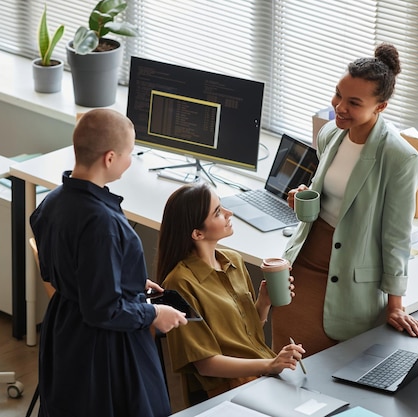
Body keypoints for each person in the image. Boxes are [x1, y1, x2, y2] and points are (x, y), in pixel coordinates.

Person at [272, 43, 418, 357]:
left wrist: (395, 305)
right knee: (285, 367)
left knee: (329, 375)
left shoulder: (399, 158)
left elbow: (396, 235)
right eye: (338, 94)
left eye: (353, 102)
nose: (339, 107)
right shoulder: (330, 134)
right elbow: (331, 196)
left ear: (380, 107)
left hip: (350, 280)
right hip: (302, 266)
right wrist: (302, 198)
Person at [30, 109, 188, 417]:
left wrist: (128, 278)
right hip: (103, 347)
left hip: (64, 330)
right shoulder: (102, 223)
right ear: (110, 157)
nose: (132, 161)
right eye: (130, 153)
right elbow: (103, 309)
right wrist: (154, 312)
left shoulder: (52, 202)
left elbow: (59, 270)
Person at [157, 182, 305, 399]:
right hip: (229, 391)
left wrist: (263, 303)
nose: (229, 213)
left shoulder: (233, 260)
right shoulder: (179, 284)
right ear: (197, 233)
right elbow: (205, 364)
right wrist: (271, 364)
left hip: (263, 375)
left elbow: (246, 333)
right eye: (218, 212)